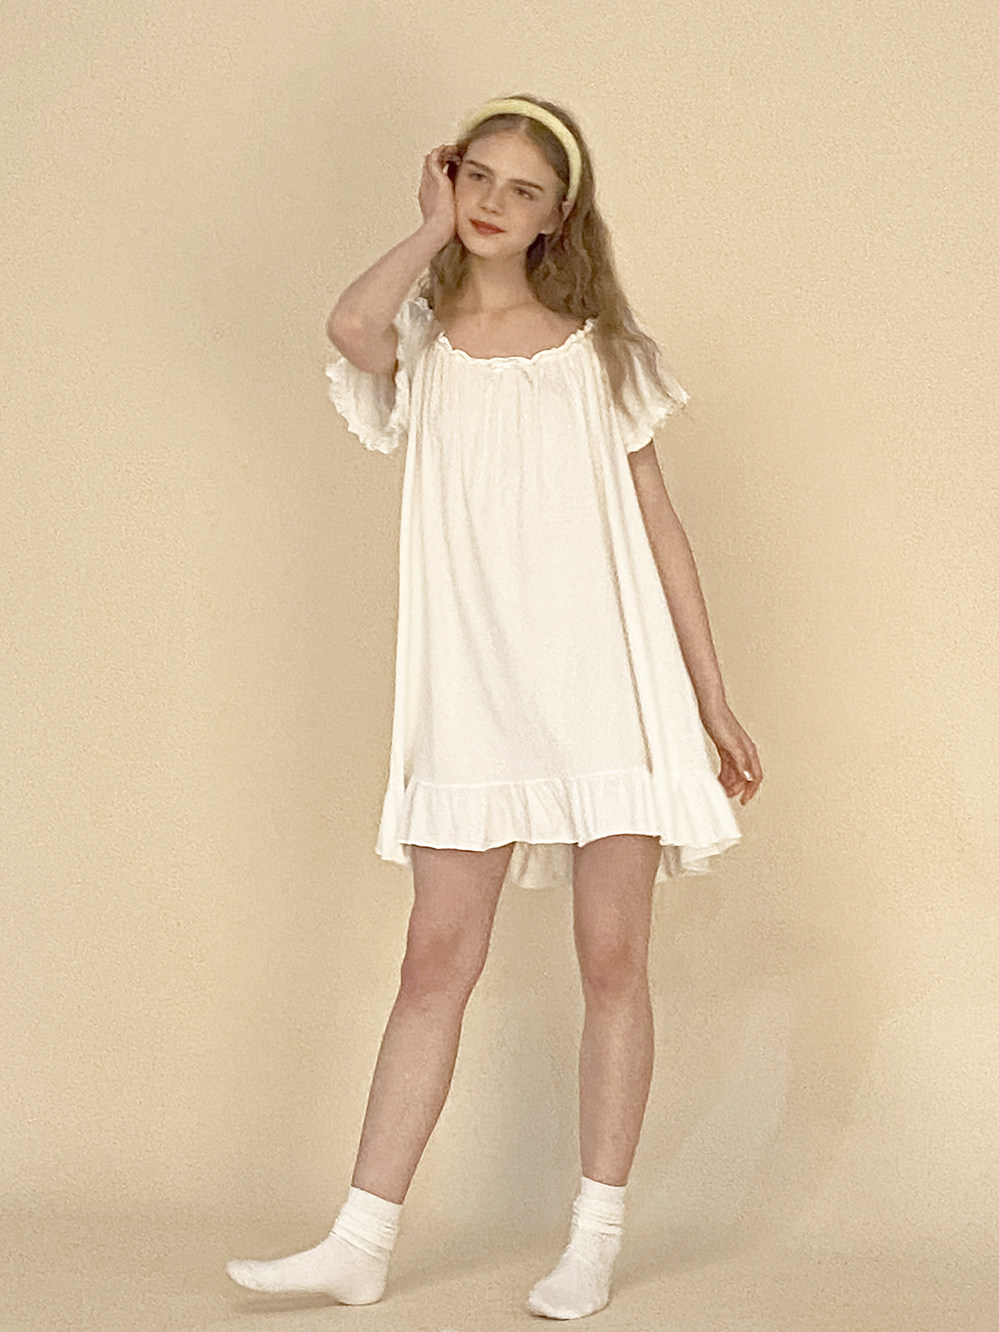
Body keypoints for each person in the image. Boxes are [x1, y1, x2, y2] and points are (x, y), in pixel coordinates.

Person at [226, 93, 762, 1320]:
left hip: (607, 688)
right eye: (478, 177)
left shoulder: (604, 356)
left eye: (524, 190)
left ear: (556, 216)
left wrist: (711, 699)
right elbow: (349, 326)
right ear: (450, 176)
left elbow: (663, 534)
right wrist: (425, 227)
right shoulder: (416, 343)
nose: (493, 203)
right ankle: (360, 1241)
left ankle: (593, 1239)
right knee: (435, 959)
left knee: (613, 960)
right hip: (473, 689)